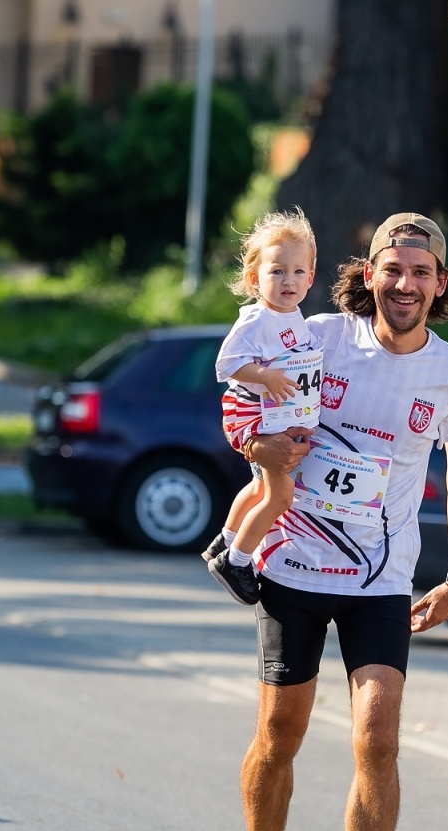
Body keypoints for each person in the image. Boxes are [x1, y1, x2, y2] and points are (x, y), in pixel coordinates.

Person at [228, 213, 448, 831]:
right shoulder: (313, 337)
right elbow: (246, 401)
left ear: (441, 284)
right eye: (392, 269)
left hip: (381, 579)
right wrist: (252, 445)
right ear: (367, 274)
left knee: (377, 736)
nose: (405, 284)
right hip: (293, 568)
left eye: (421, 272)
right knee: (280, 736)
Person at [203, 209, 322, 606]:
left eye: (297, 271)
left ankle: (229, 537)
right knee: (280, 496)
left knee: (258, 487)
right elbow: (226, 364)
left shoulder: (297, 317)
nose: (288, 280)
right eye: (277, 271)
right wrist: (265, 376)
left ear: (310, 276)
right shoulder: (256, 319)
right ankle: (236, 562)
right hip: (257, 416)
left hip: (278, 415)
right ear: (255, 278)